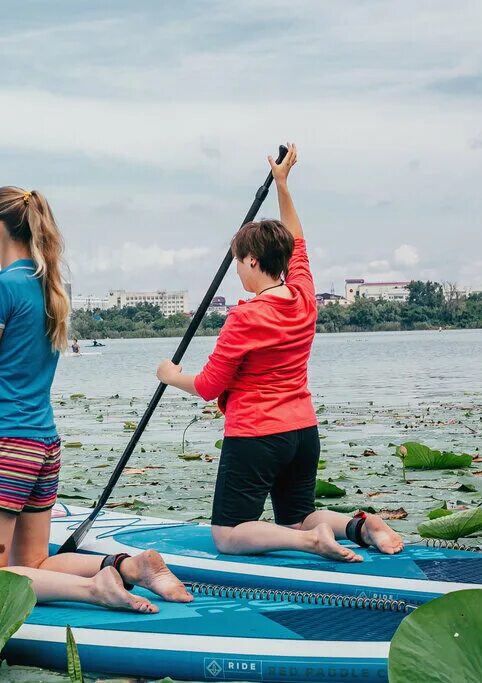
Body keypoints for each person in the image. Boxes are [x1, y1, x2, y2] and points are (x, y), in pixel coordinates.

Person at [0, 186, 190, 613]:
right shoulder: (49, 286)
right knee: (34, 563)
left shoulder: (2, 287)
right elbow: (9, 375)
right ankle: (130, 566)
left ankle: (95, 588)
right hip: (42, 446)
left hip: (3, 445)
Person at [156, 145, 404, 562]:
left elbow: (208, 385)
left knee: (228, 535)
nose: (236, 269)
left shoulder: (245, 317)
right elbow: (298, 240)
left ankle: (312, 542)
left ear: (252, 261)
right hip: (302, 431)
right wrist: (283, 187)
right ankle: (360, 526)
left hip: (257, 434)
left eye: (238, 261)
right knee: (297, 516)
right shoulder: (304, 294)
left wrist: (169, 374)